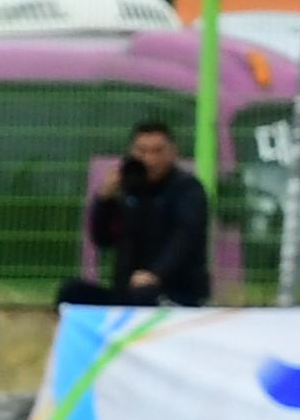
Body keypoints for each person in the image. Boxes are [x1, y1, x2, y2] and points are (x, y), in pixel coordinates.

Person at [59, 120, 209, 306]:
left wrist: (156, 274)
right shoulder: (128, 188)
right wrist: (104, 200)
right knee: (71, 292)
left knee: (145, 296)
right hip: (126, 293)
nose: (149, 159)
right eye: (142, 151)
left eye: (157, 151)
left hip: (174, 293)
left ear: (173, 153)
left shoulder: (187, 189)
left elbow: (186, 237)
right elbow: (102, 238)